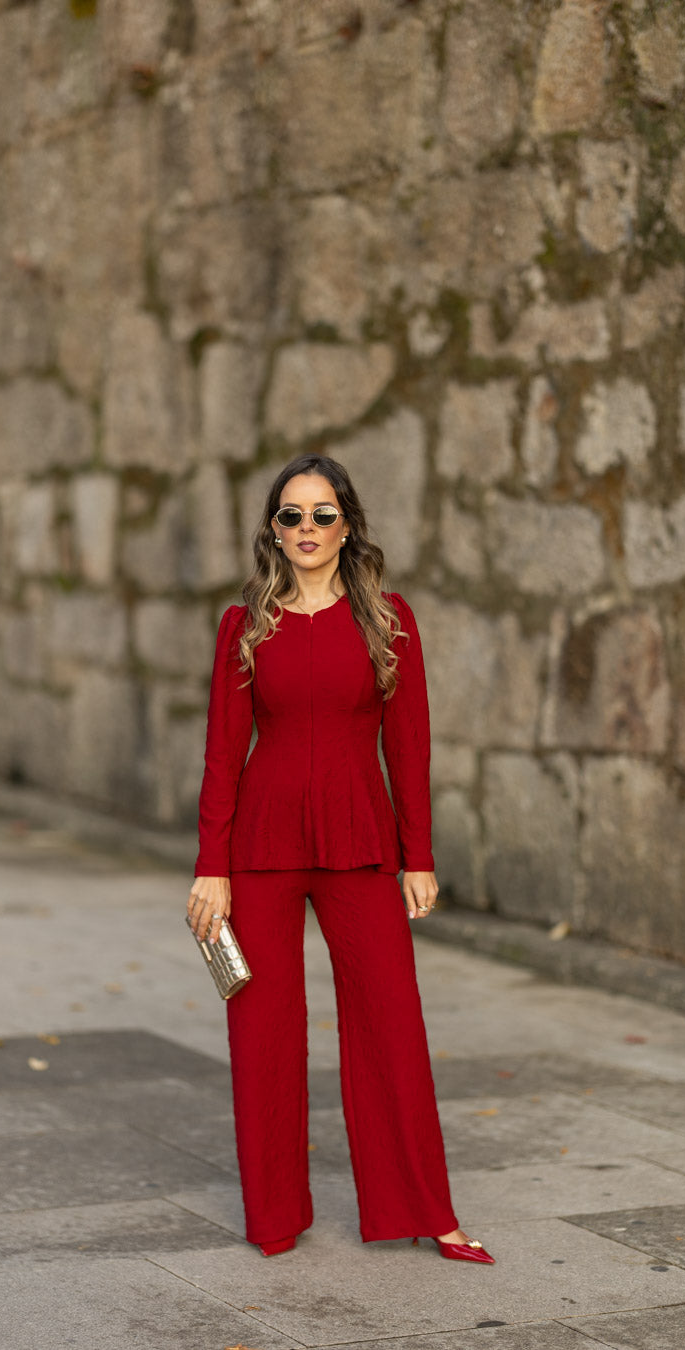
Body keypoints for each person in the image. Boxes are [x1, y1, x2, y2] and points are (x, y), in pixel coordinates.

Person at [187, 454, 494, 1265]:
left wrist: (418, 857)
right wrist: (211, 867)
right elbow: (222, 755)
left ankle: (427, 1210)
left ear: (347, 526)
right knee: (262, 1030)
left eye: (323, 514)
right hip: (261, 851)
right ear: (273, 530)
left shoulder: (389, 621)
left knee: (393, 1024)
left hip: (360, 846)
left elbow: (410, 747)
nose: (307, 529)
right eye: (291, 515)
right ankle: (274, 1216)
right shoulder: (245, 625)